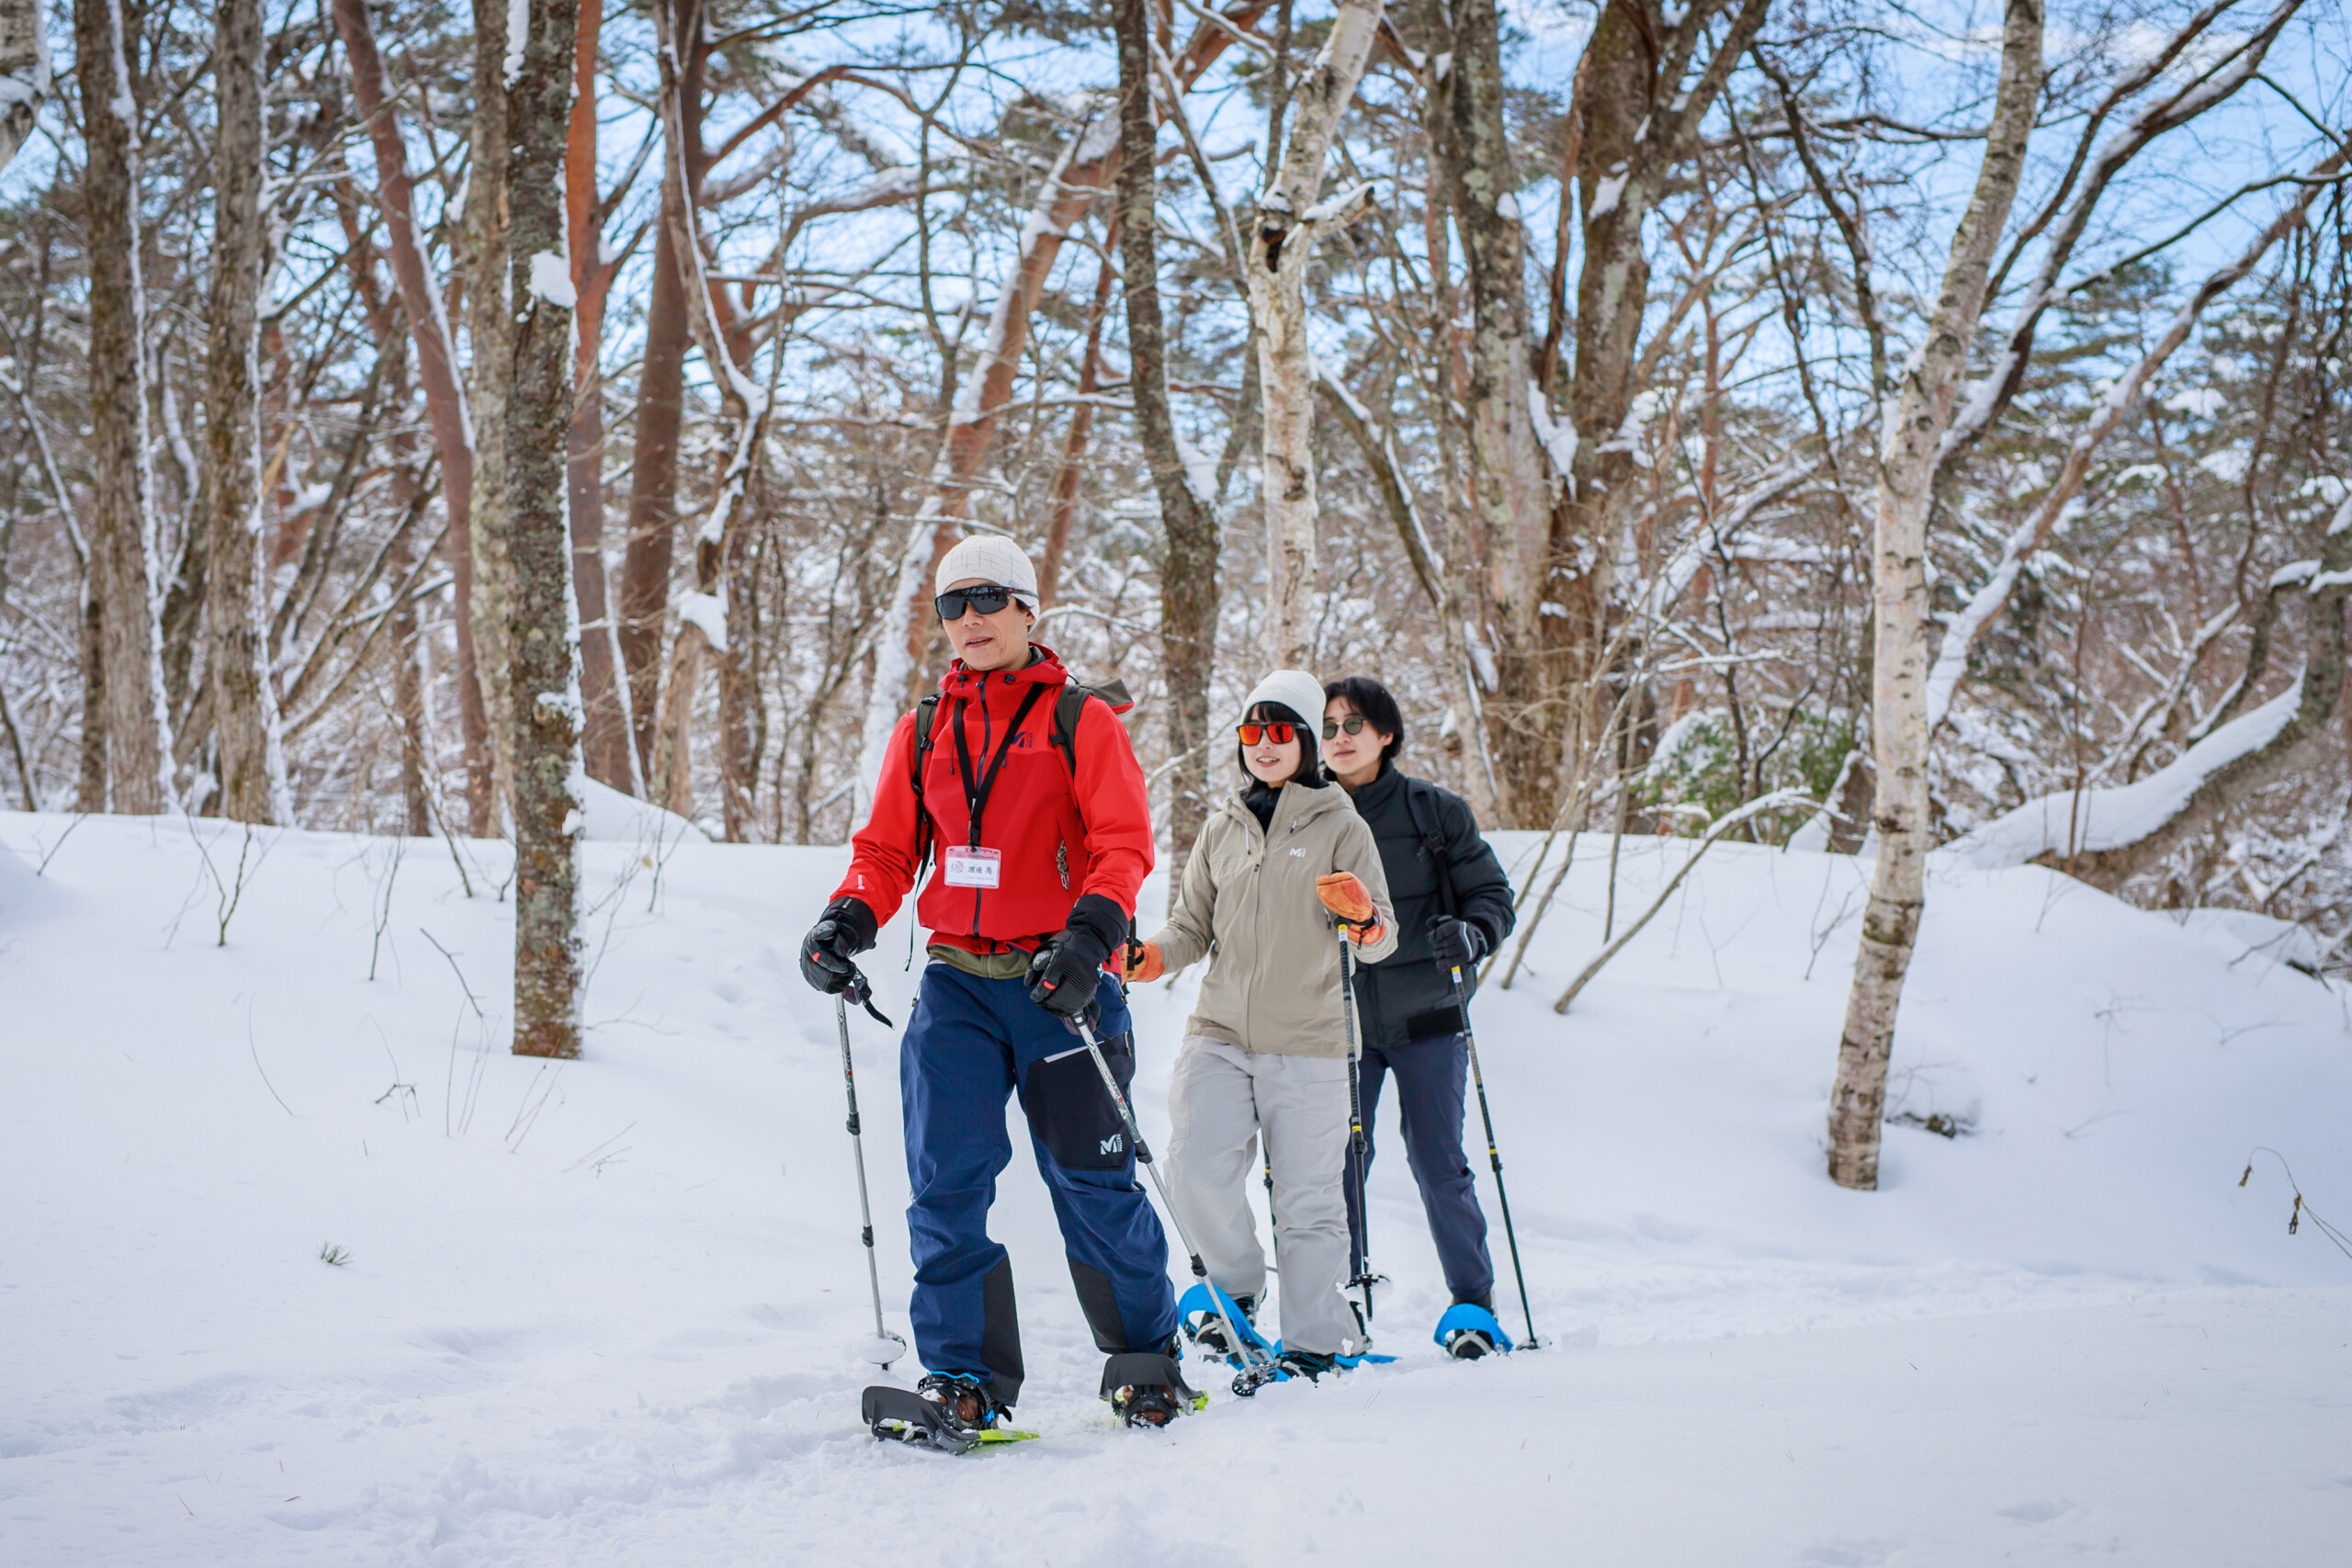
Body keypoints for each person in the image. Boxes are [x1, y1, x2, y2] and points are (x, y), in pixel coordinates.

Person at [798, 533, 1188, 1436]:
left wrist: (1088, 942)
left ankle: (1144, 1364)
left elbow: (1122, 846)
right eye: (951, 605)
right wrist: (844, 921)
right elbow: (888, 853)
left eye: (987, 600)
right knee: (945, 1189)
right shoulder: (925, 729)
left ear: (1026, 611)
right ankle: (964, 1381)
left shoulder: (1079, 721)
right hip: (956, 990)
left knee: (1093, 1188)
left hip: (1062, 986)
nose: (969, 619)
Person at [1119, 670, 1399, 1379]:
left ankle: (1317, 1336)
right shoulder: (1223, 827)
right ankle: (1235, 1290)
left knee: (1306, 1198)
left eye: (1279, 732)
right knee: (1195, 1167)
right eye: (1251, 732)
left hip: (1309, 1040)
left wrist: (1363, 918)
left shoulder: (1343, 825)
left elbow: (1385, 934)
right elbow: (1191, 926)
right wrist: (1150, 956)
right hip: (1219, 1030)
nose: (1263, 745)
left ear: (1305, 741)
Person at [1320, 675, 1517, 1353]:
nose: (1339, 739)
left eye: (1353, 725)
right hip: (1339, 1022)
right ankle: (1337, 1309)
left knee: (1438, 1160)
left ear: (1386, 735)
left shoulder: (1434, 812)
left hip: (1428, 1015)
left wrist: (1473, 933)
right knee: (1340, 1161)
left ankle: (1474, 1309)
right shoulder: (1307, 812)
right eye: (1328, 727)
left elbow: (1491, 893)